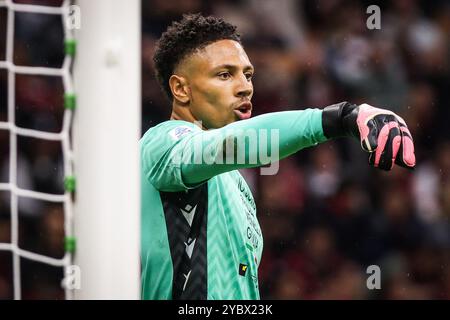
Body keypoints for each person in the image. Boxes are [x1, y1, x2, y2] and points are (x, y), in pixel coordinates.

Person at [140, 13, 415, 300]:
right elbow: (226, 146)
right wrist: (340, 118)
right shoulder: (162, 143)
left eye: (248, 74)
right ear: (181, 89)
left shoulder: (235, 181)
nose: (245, 86)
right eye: (224, 74)